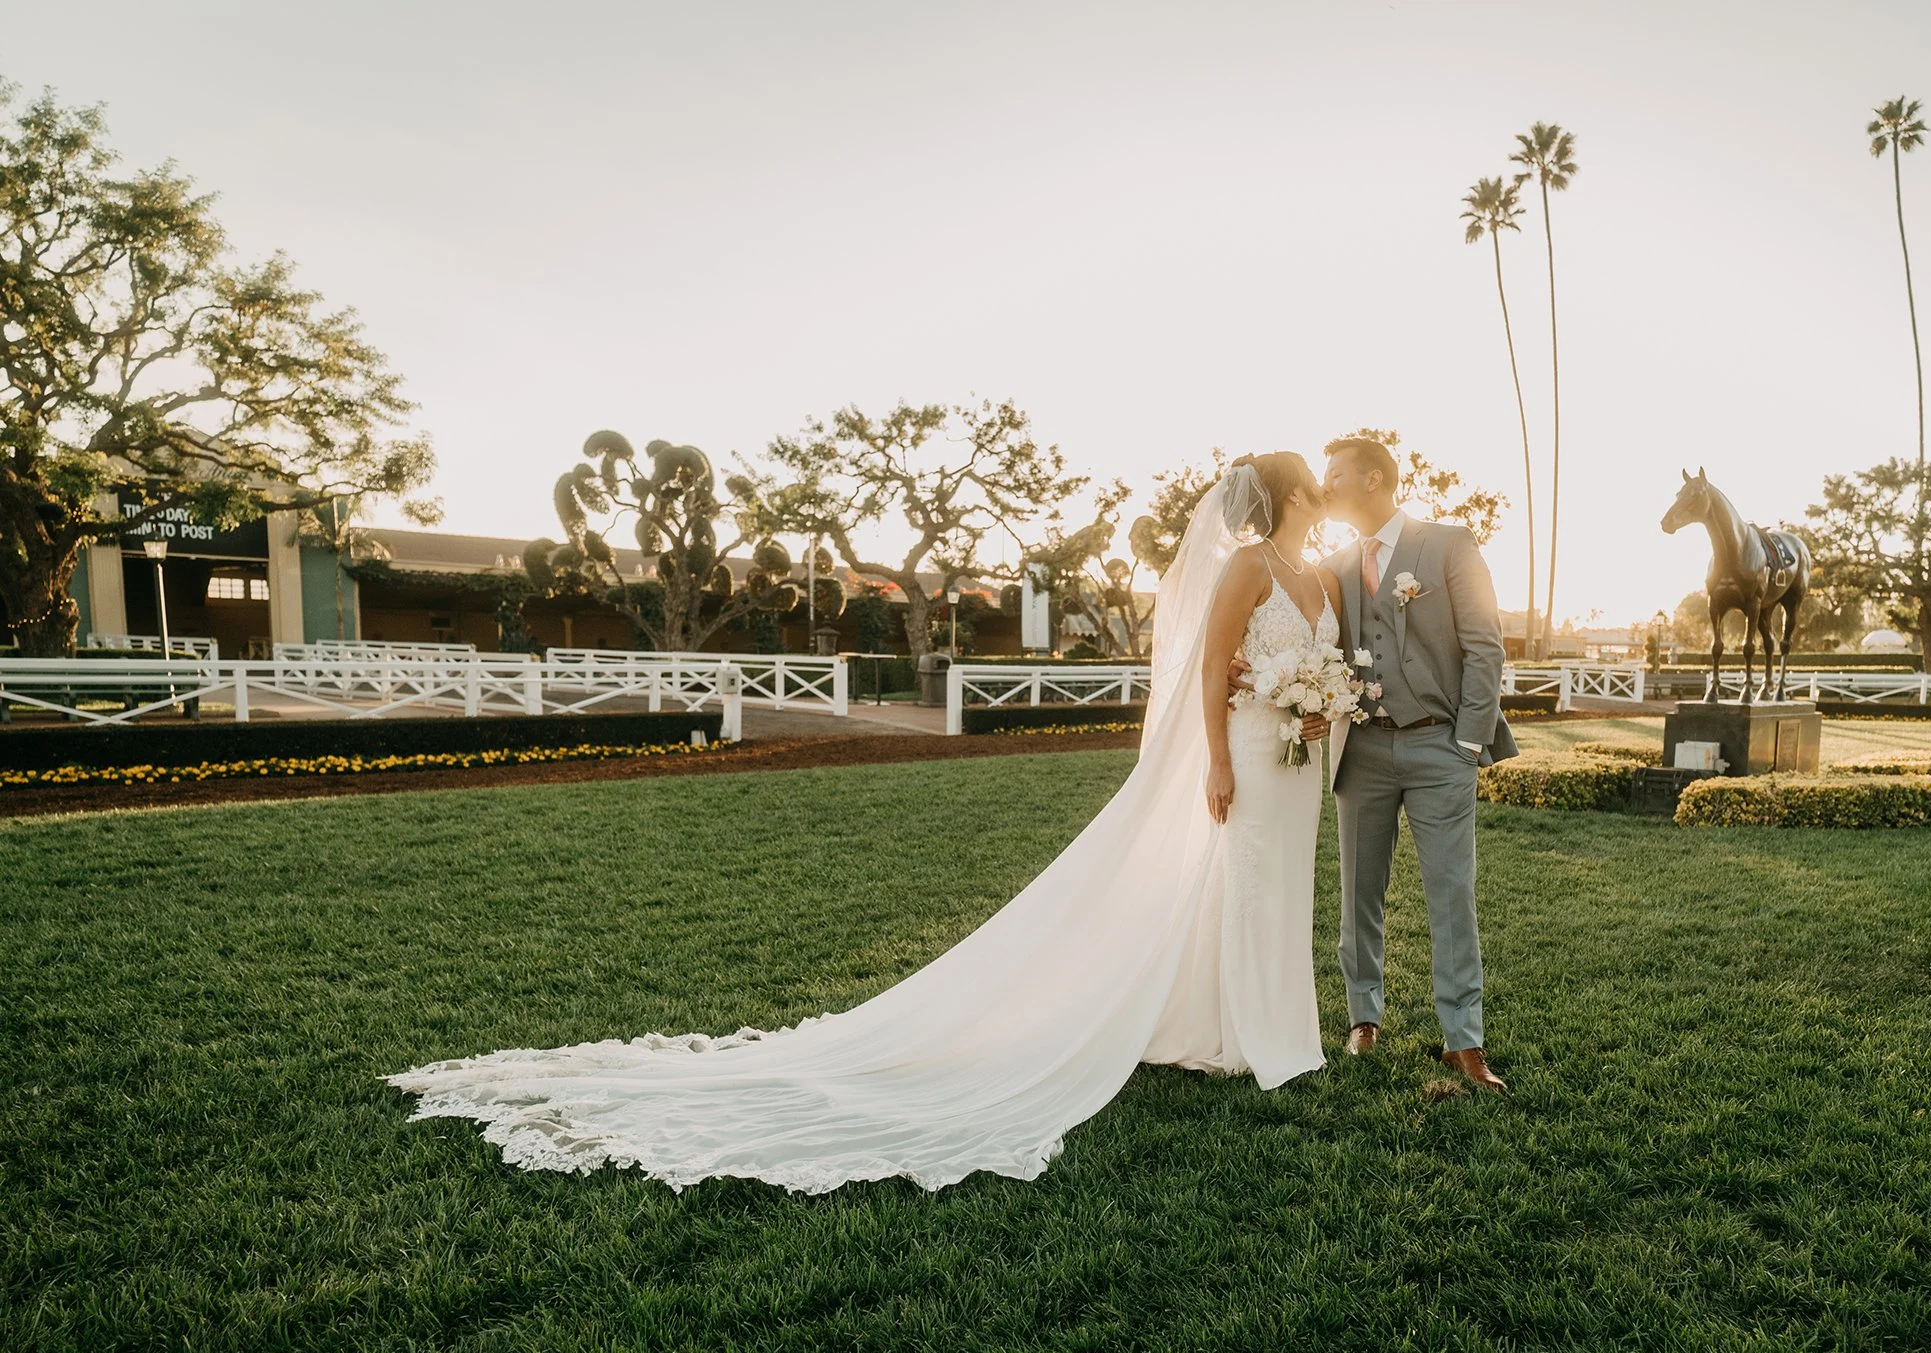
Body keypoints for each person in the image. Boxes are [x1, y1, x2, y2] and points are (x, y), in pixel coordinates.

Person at [387, 455, 1348, 1195]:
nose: (1320, 498)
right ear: (1292, 497)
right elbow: (1203, 672)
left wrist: (1312, 707)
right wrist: (1217, 759)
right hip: (1244, 754)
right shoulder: (1245, 569)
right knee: (1245, 878)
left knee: (1274, 887)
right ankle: (1249, 1037)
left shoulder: (1315, 577)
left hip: (1294, 757)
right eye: (1313, 486)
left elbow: (1307, 668)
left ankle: (1247, 1025)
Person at [1313, 436, 1514, 1091]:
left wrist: (1469, 743)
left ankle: (1464, 1040)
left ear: (1373, 479)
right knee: (1358, 893)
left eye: (1336, 474)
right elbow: (1322, 652)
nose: (1325, 485)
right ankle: (1362, 1018)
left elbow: (1485, 646)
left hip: (1439, 747)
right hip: (1361, 749)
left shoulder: (1449, 545)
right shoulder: (1334, 566)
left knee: (1451, 895)